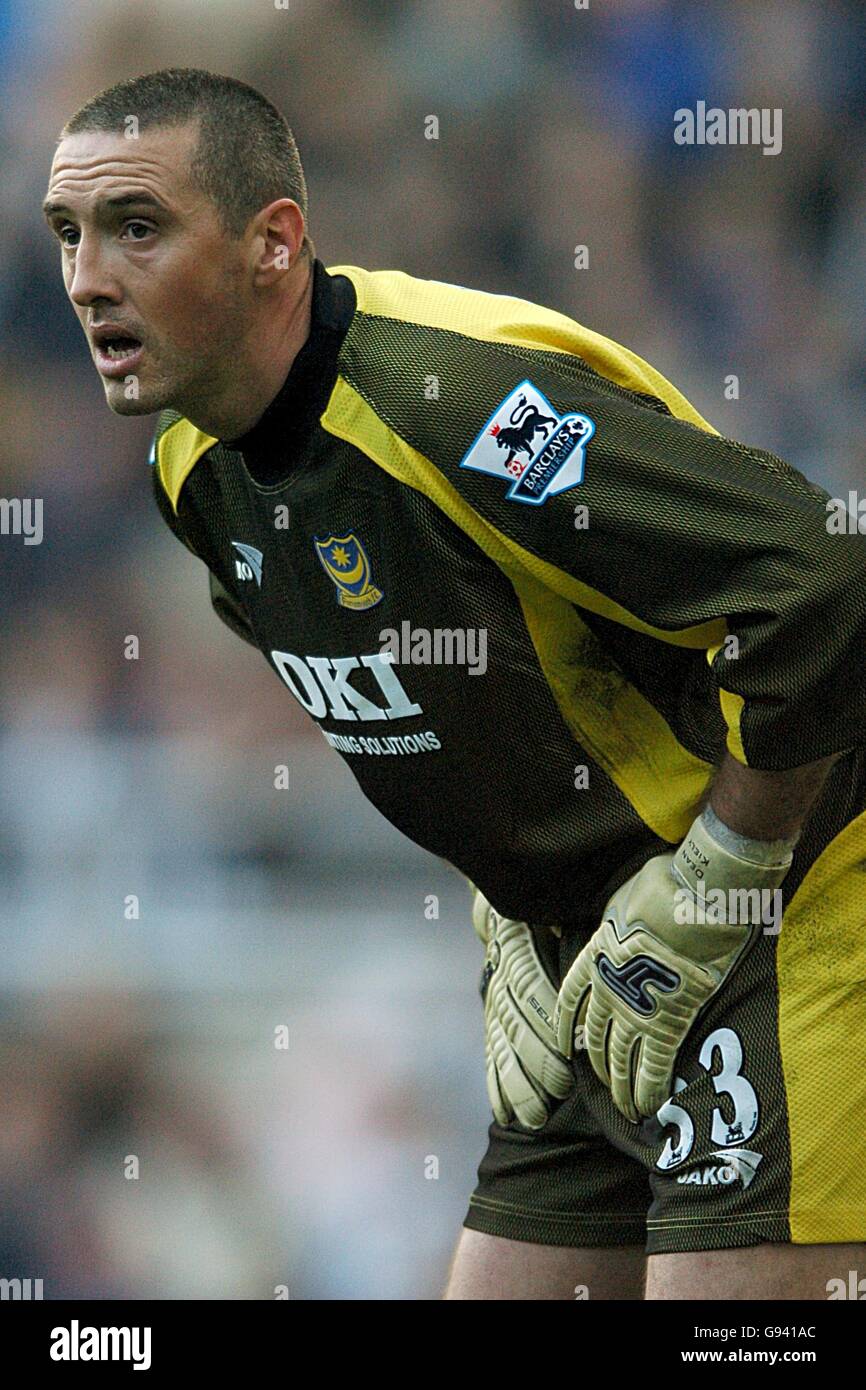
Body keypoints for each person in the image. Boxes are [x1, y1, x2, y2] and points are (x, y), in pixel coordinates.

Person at [43, 67, 866, 1301]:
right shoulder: (190, 472)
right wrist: (508, 920)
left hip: (782, 903)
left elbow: (820, 573)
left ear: (275, 244)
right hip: (591, 958)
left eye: (137, 227)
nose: (88, 278)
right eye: (69, 234)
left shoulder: (459, 403)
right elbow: (455, 708)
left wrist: (725, 868)